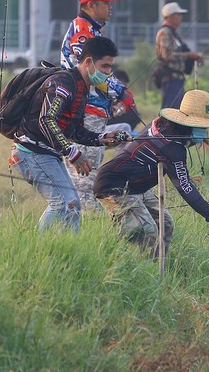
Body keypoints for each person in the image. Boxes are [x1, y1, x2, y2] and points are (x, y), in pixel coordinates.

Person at [93, 89, 209, 259]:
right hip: (112, 187)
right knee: (146, 230)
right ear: (187, 123)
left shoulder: (161, 125)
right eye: (201, 126)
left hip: (137, 186)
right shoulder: (172, 149)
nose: (204, 132)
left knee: (165, 224)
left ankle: (158, 268)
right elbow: (185, 187)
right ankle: (134, 269)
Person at [9, 36, 127, 232]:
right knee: (64, 202)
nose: (108, 73)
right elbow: (47, 119)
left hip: (48, 154)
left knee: (74, 204)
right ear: (89, 62)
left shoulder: (82, 88)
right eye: (105, 66)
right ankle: (39, 247)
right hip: (31, 152)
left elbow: (75, 131)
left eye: (110, 67)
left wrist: (101, 139)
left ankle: (71, 247)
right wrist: (73, 153)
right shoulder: (63, 84)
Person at [66, 57, 135, 212]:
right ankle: (92, 212)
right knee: (84, 184)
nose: (107, 71)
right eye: (104, 66)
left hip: (99, 132)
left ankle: (117, 170)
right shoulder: (84, 84)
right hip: (84, 135)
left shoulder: (107, 91)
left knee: (125, 128)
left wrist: (117, 107)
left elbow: (112, 111)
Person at [60, 0, 135, 114]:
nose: (110, 7)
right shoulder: (83, 31)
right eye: (106, 3)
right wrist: (121, 92)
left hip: (90, 102)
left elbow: (102, 69)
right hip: (81, 104)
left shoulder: (92, 29)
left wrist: (120, 92)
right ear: (91, 5)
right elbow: (93, 71)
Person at [154, 2, 204, 111]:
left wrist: (194, 57)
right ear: (171, 16)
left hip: (177, 79)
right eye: (178, 15)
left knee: (177, 111)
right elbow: (166, 55)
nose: (181, 17)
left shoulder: (173, 33)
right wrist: (189, 55)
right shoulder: (165, 32)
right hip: (170, 78)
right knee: (170, 112)